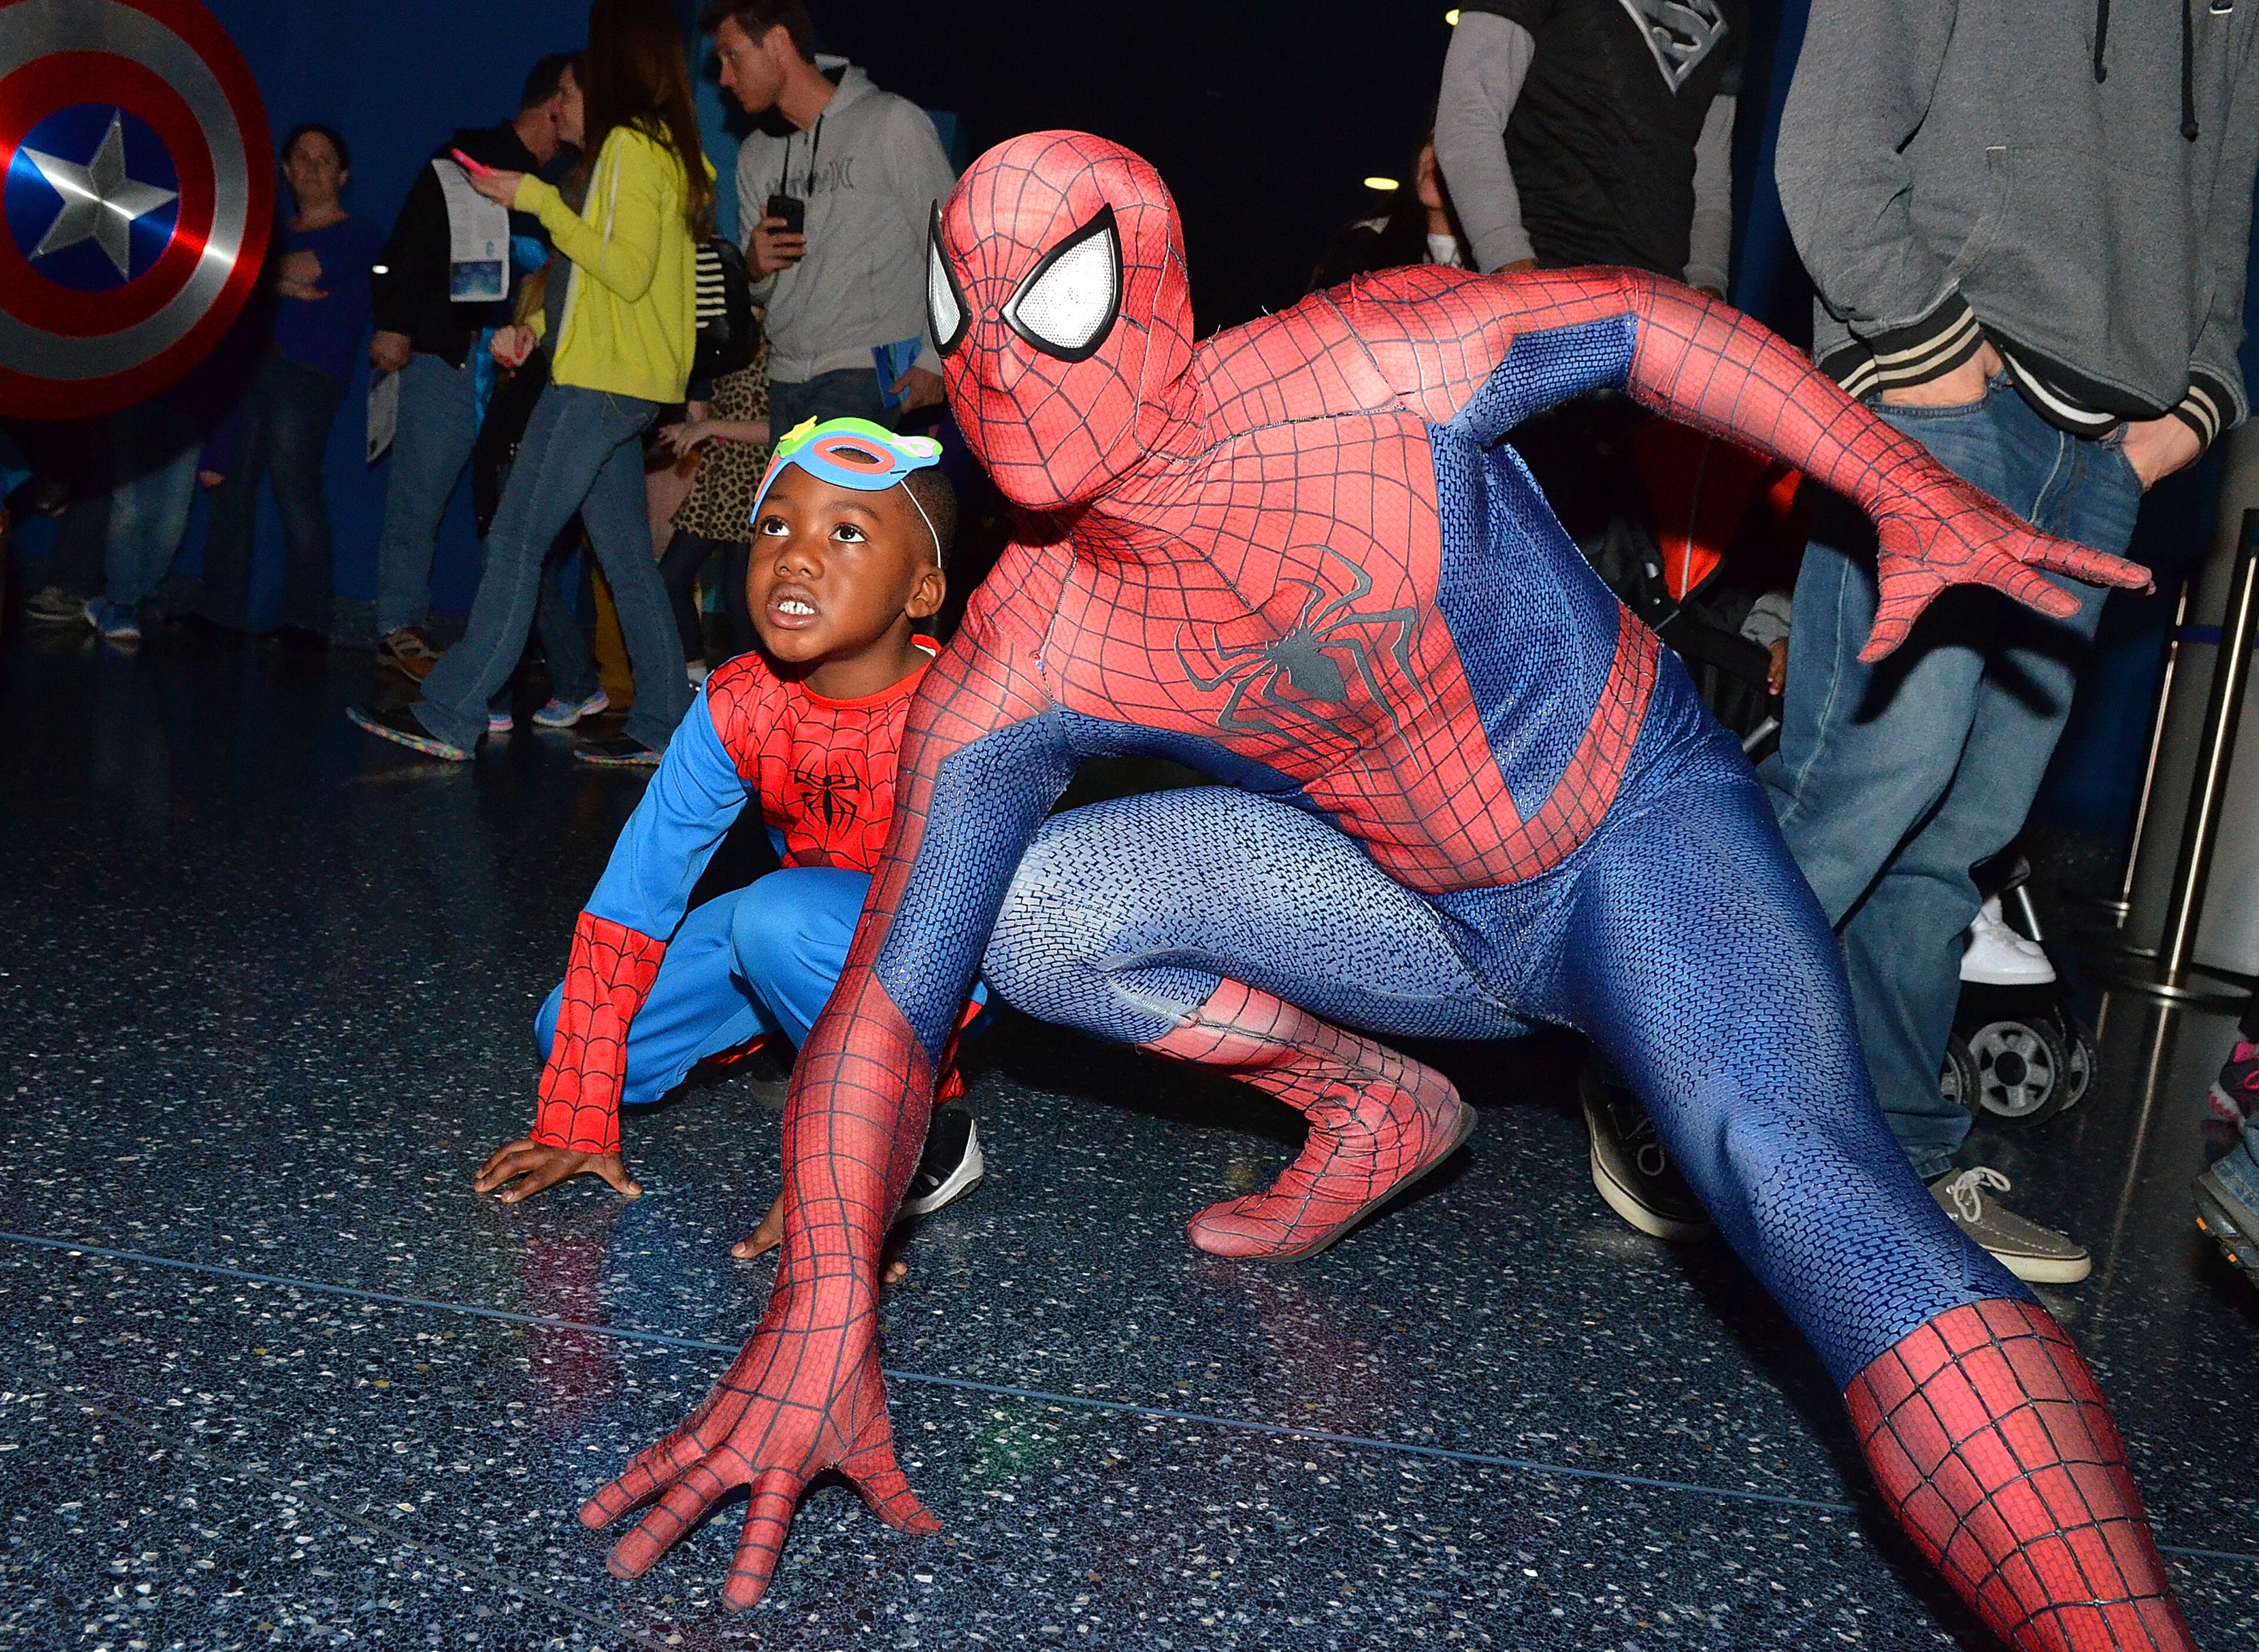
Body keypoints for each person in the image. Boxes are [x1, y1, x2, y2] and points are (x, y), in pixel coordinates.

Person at [572, 135, 2191, 1652]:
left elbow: (1632, 318)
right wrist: (825, 1295)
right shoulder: (1022, 645)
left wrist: (1885, 473)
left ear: (1155, 288)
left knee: (1800, 1182)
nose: (1001, 358)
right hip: (1410, 912)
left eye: (1054, 299)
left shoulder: (1369, 364)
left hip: (1635, 842)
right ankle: (1375, 1104)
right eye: (966, 311)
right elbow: (888, 997)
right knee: (1016, 909)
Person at [1764, 0, 2257, 1283]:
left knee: (1964, 831)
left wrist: (2182, 422)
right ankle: (1673, 1089)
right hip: (1941, 382)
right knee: (1862, 786)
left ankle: (1899, 1154)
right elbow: (1829, 143)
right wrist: (1932, 357)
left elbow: (2221, 225)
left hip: (2104, 450)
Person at [469, 416, 982, 1256]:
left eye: (846, 532)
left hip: (955, 952)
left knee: (775, 918)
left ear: (922, 592)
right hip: (812, 929)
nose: (797, 555)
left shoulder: (965, 712)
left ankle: (928, 1127)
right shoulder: (739, 701)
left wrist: (847, 1178)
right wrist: (578, 1112)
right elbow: (637, 891)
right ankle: (803, 1023)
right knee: (571, 1035)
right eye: (775, 526)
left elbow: (990, 914)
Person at [1434, 0, 1745, 1242]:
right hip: (1532, 335)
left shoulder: (1730, 18)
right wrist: (1516, 280)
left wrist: (1704, 308)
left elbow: (1708, 174)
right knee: (1498, 663)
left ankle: (1619, 1043)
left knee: (1614, 676)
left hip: (1640, 360)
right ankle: (1432, 983)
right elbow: (1465, 121)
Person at [351, 0, 711, 767]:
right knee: (625, 558)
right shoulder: (661, 152)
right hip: (622, 379)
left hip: (600, 385)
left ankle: (450, 712)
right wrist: (540, 331)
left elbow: (625, 270)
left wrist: (537, 200)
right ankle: (665, 724)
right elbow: (619, 286)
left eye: (576, 87)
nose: (564, 103)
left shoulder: (630, 152)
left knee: (515, 540)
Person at [368, 52, 584, 682]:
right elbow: (409, 242)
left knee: (518, 515)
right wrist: (395, 321)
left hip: (530, 371)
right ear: (556, 105)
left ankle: (511, 643)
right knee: (420, 493)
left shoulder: (572, 185)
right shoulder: (467, 158)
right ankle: (398, 625)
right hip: (453, 356)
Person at [699, 0, 955, 432]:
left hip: (873, 369)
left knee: (833, 499)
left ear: (779, 42)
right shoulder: (755, 155)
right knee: (792, 501)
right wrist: (755, 268)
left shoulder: (890, 122)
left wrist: (937, 359)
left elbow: (953, 246)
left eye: (732, 55)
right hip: (785, 377)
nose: (724, 78)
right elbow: (758, 293)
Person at [194, 124, 382, 650]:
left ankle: (308, 622)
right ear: (286, 170)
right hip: (251, 369)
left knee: (293, 484)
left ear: (343, 174)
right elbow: (234, 278)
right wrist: (277, 284)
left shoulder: (359, 233)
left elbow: (294, 268)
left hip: (307, 374)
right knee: (233, 484)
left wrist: (256, 280)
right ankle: (219, 611)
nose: (314, 168)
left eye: (326, 159)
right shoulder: (267, 233)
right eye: (303, 157)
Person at [1432, 0, 1740, 296]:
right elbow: (1468, 116)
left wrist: (1707, 285)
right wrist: (1513, 270)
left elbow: (1711, 178)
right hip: (1546, 269)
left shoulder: (1734, 8)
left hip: (1660, 300)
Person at [655, 343, 772, 670]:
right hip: (719, 475)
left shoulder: (780, 344)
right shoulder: (722, 343)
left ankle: (749, 687)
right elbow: (702, 414)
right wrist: (689, 423)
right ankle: (694, 671)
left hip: (755, 477)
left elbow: (778, 429)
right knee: (670, 577)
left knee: (739, 595)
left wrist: (708, 427)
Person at [1305, 135, 1472, 295]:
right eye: (1431, 141)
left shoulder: (1494, 257)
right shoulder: (1364, 244)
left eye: (1458, 145)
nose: (1438, 155)